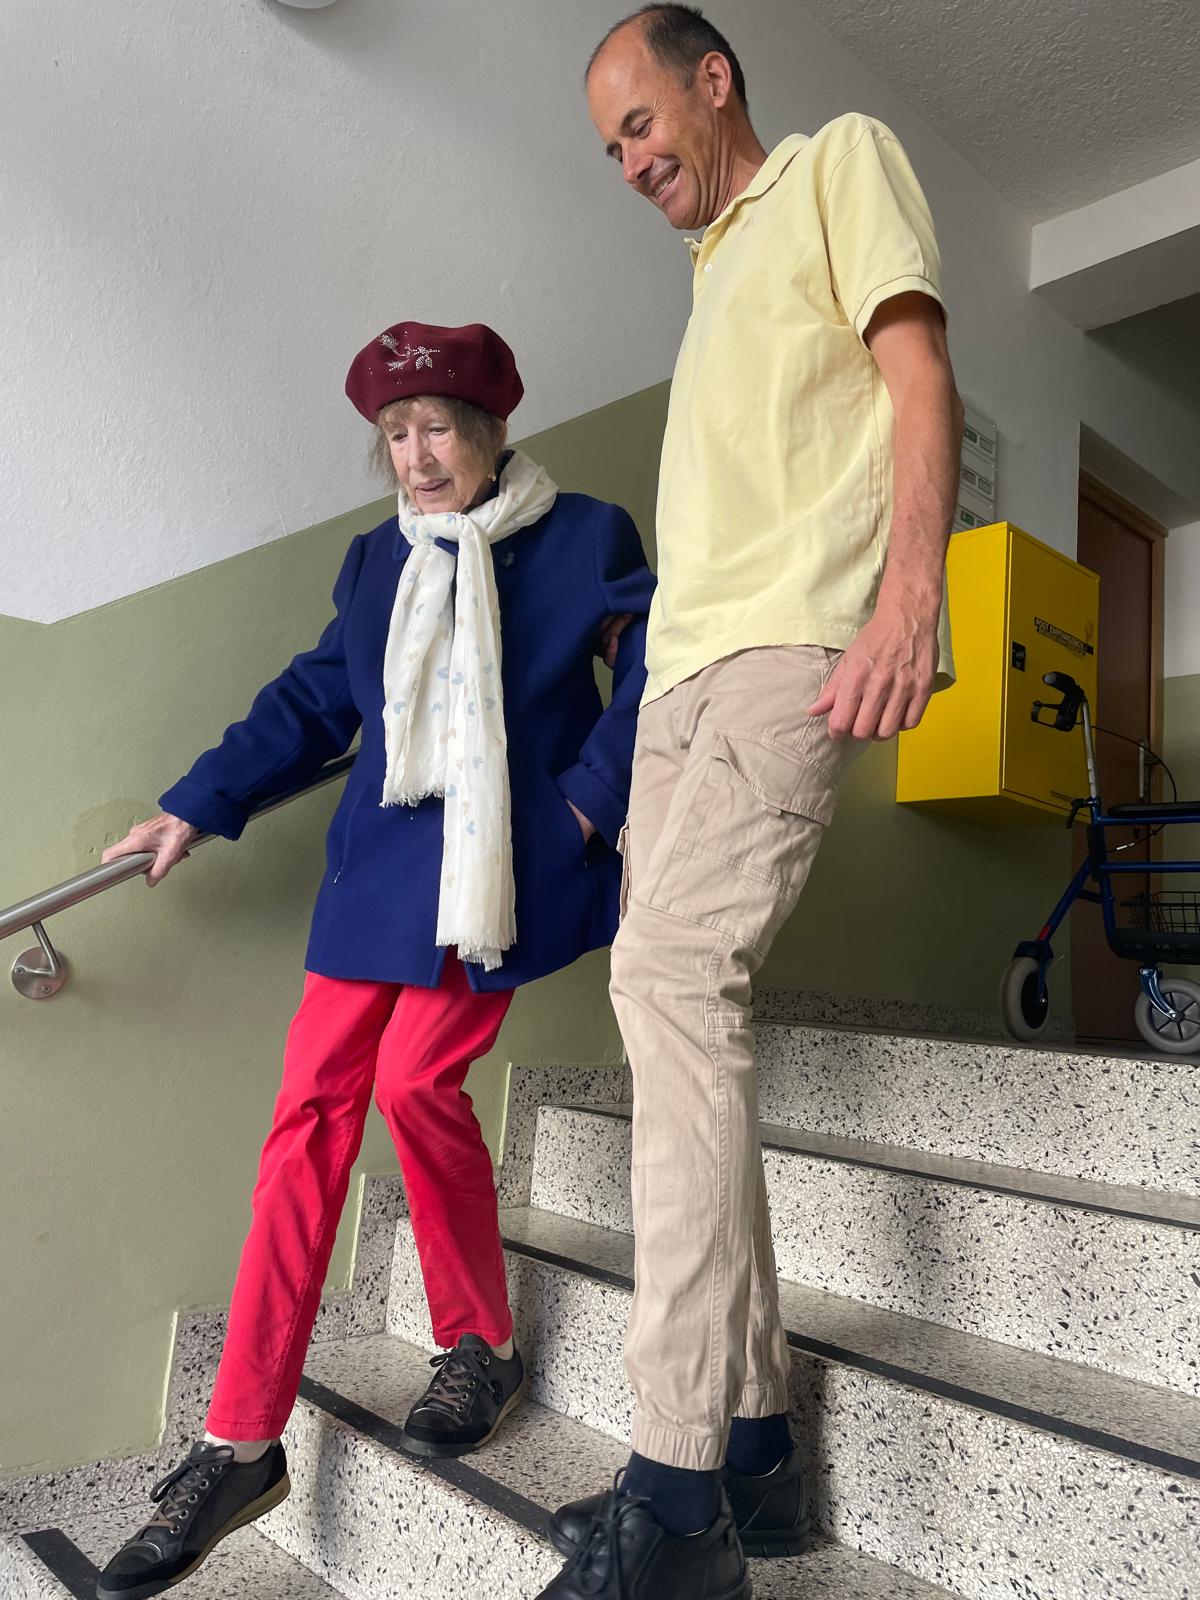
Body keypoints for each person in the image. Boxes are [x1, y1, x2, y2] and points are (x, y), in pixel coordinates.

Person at [94, 320, 654, 1600]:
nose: (416, 455)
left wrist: (585, 804)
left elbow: (650, 670)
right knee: (303, 1125)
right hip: (375, 875)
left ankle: (477, 1337)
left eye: (437, 428)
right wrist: (195, 801)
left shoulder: (587, 536)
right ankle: (238, 1440)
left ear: (494, 429)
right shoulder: (373, 561)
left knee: (413, 1088)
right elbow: (311, 699)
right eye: (395, 436)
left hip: (493, 876)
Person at [540, 9, 960, 1597]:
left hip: (797, 647)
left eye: (644, 123)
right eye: (613, 151)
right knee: (665, 1008)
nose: (635, 163)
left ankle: (672, 1495)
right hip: (678, 688)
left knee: (670, 979)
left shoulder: (840, 163)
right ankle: (763, 1455)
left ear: (715, 79)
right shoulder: (710, 279)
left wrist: (908, 594)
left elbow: (919, 377)